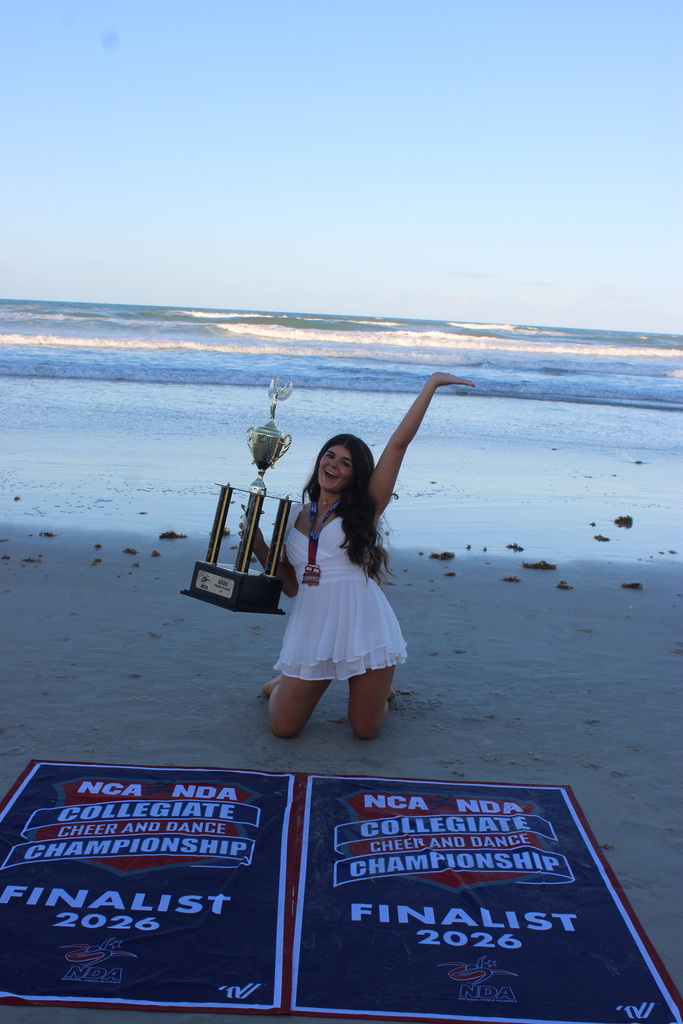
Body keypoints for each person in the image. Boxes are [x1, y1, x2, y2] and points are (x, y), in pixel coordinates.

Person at [249, 371, 475, 739]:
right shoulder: (291, 515)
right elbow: (290, 587)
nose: (333, 465)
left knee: (365, 730)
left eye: (345, 463)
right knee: (283, 728)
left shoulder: (365, 508)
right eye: (330, 456)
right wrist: (258, 545)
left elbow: (398, 445)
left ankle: (381, 689)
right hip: (313, 628)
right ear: (320, 460)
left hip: (365, 625)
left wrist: (431, 384)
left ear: (355, 475)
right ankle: (280, 685)